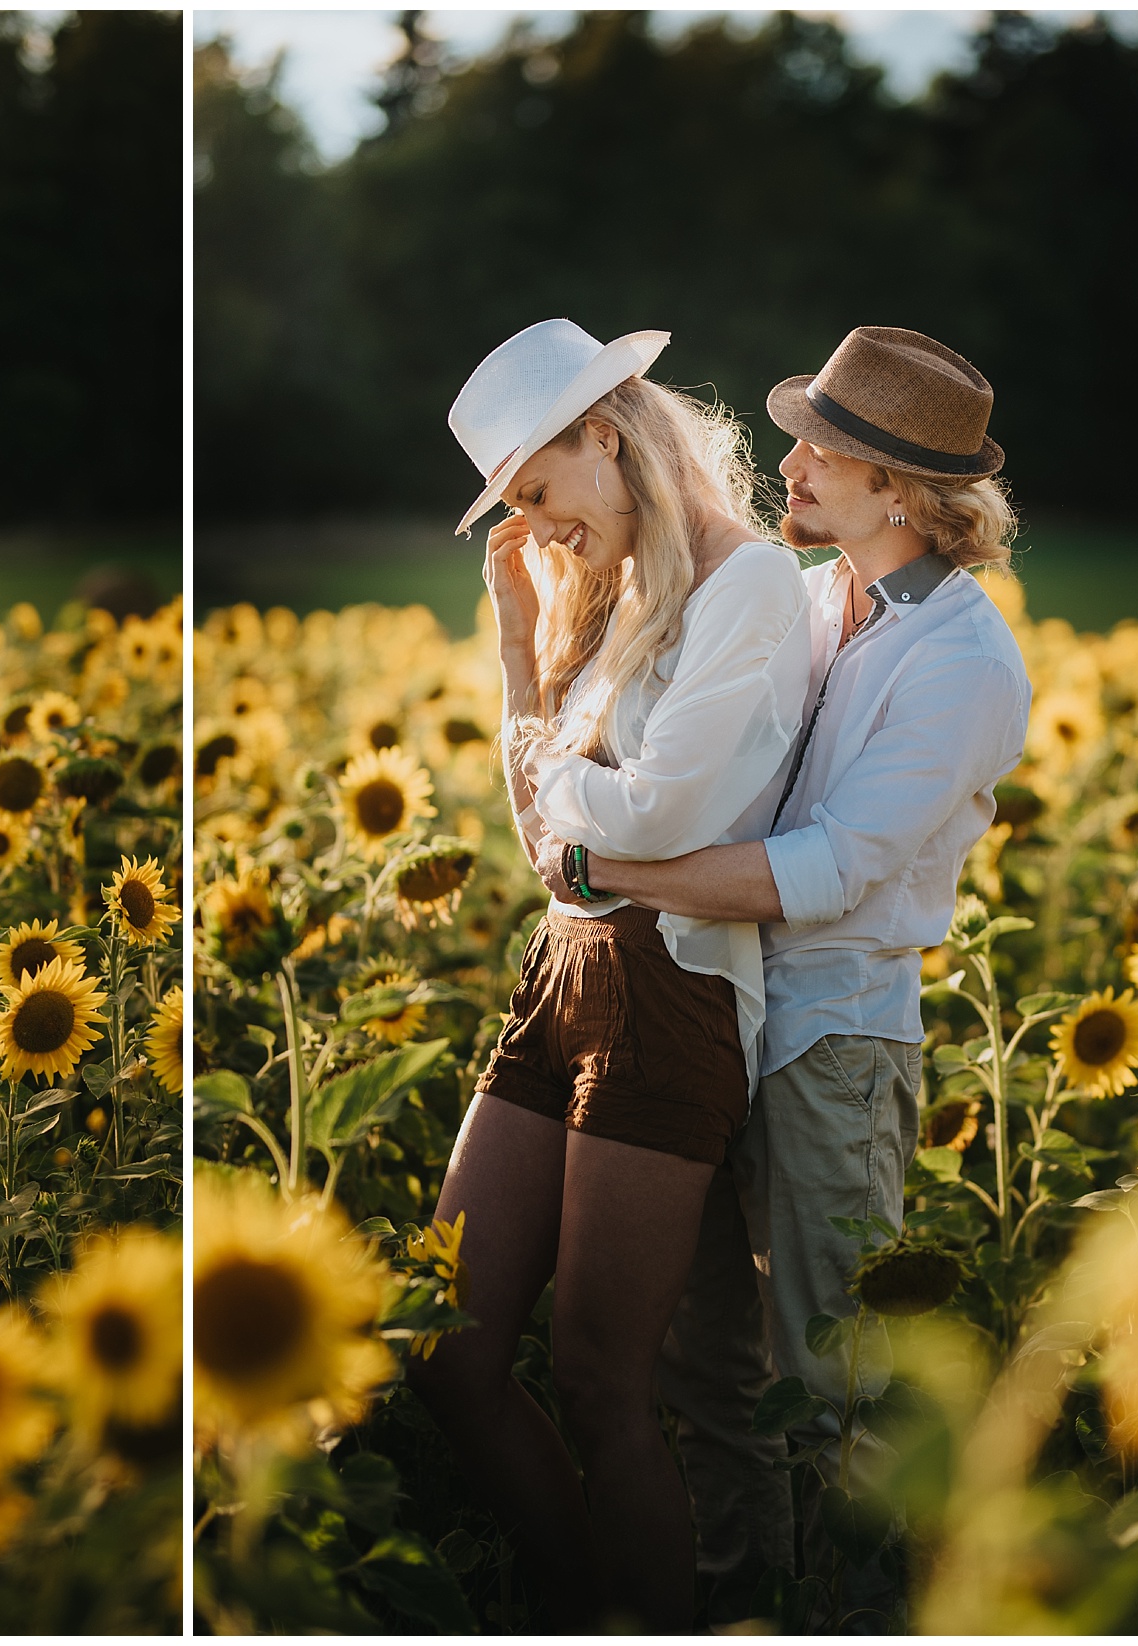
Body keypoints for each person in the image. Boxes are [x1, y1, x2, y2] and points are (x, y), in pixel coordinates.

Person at [564, 327, 1031, 1622]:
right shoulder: (824, 601)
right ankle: (743, 1603)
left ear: (909, 495)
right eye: (802, 433)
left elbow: (823, 867)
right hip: (729, 1009)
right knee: (707, 1362)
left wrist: (611, 868)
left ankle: (862, 1615)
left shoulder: (966, 663)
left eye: (834, 450)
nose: (795, 461)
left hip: (835, 1035)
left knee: (839, 1380)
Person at [404, 319, 813, 1629]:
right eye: (510, 504)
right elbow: (550, 845)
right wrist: (522, 653)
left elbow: (656, 813)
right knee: (449, 1347)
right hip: (559, 972)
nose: (529, 526)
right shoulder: (623, 594)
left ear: (607, 432)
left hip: (671, 986)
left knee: (597, 1376)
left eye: (535, 489)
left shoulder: (746, 585)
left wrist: (580, 806)